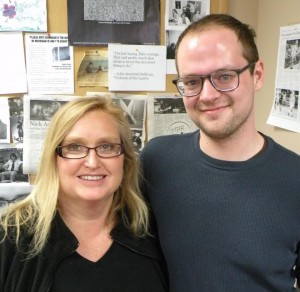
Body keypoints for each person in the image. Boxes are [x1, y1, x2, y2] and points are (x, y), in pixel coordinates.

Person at [140, 14, 300, 291]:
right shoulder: (155, 160)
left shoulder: (295, 177)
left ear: (257, 74)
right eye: (191, 82)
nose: (207, 95)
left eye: (224, 76)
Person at [0, 97, 168, 292]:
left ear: (125, 158)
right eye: (74, 147)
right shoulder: (10, 238)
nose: (92, 163)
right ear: (54, 159)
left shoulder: (155, 232)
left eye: (106, 146)